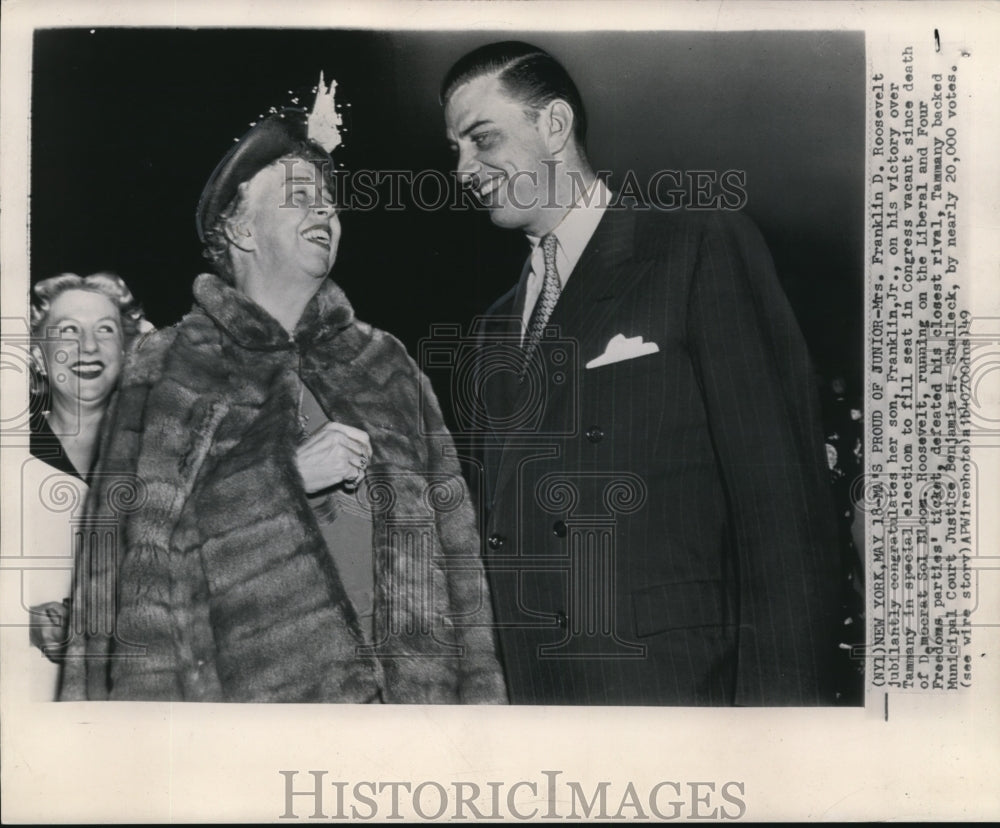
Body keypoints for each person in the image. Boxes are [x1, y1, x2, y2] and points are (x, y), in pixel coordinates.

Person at [59, 88, 506, 703]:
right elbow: (130, 572)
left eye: (330, 203)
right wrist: (285, 477)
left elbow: (460, 567)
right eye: (299, 198)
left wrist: (480, 727)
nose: (324, 212)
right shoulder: (171, 366)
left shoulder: (387, 366)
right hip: (248, 731)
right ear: (239, 229)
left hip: (408, 731)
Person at [441, 41, 843, 705]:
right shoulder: (488, 333)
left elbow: (785, 513)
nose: (463, 168)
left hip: (678, 697)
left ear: (555, 126)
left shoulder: (694, 246)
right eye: (454, 149)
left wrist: (781, 738)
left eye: (482, 139)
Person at [22, 272, 148, 700]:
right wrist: (22, 620)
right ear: (39, 352)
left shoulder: (157, 456)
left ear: (128, 349)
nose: (88, 347)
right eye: (68, 331)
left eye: (105, 330)